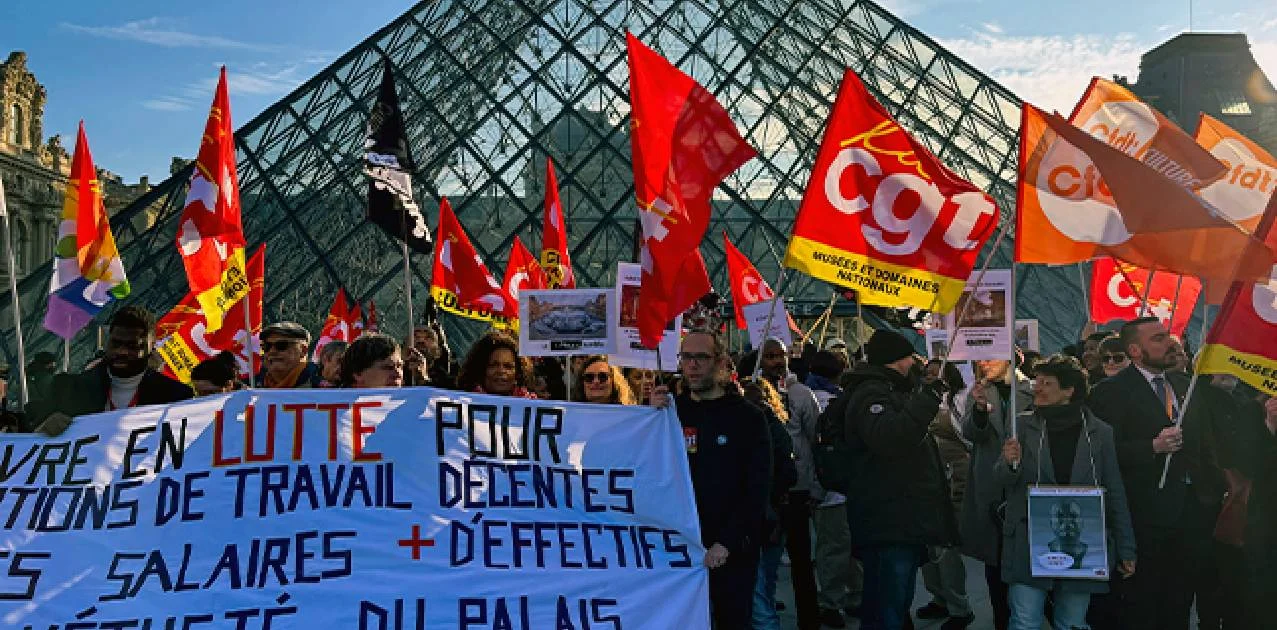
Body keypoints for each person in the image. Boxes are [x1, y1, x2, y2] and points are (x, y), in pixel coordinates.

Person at [996, 355, 1137, 630]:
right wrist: (1009, 462)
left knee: (1071, 623)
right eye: (1037, 381)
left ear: (1069, 390)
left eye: (1047, 383)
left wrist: (1126, 547)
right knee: (1024, 620)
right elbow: (1000, 480)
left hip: (1084, 543)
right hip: (1029, 540)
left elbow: (1115, 490)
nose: (1037, 387)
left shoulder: (1100, 432)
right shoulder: (1021, 426)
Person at [1088, 317, 1211, 630]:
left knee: (1181, 598)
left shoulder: (1185, 385)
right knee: (1143, 600)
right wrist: (1151, 447)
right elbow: (1100, 454)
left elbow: (1204, 443)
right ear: (1135, 350)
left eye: (1167, 336)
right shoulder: (1110, 392)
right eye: (1158, 338)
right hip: (1143, 515)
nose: (1169, 343)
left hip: (1190, 510)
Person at [651, 330, 770, 628]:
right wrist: (648, 418)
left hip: (730, 551)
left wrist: (726, 543)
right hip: (678, 547)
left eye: (701, 357)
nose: (692, 365)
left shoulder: (748, 418)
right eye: (686, 357)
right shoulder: (670, 412)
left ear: (720, 362)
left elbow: (756, 489)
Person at [842, 329, 957, 630]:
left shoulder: (889, 390)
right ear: (897, 361)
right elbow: (890, 438)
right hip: (887, 519)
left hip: (899, 516)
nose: (915, 364)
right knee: (887, 605)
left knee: (894, 601)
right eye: (910, 357)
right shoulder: (872, 393)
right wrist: (926, 400)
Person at [27, 306, 192, 435]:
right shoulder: (67, 388)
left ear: (150, 347)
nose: (122, 352)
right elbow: (27, 439)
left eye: (132, 346)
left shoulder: (176, 397)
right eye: (116, 343)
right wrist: (43, 428)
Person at [959, 358, 1032, 630]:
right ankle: (1001, 616)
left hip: (1021, 482)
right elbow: (970, 433)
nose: (984, 362)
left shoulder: (1030, 388)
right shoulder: (979, 390)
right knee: (995, 556)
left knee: (1021, 554)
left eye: (992, 356)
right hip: (990, 482)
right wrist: (978, 411)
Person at [757, 337, 822, 630]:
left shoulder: (802, 394)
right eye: (768, 356)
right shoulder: (751, 395)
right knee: (766, 562)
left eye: (778, 355)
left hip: (797, 490)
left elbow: (815, 438)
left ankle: (810, 618)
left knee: (801, 561)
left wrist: (813, 485)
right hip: (768, 493)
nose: (774, 361)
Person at [917, 360, 975, 630]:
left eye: (935, 373)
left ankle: (959, 606)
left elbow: (970, 438)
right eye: (926, 373)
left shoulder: (960, 400)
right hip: (927, 479)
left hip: (955, 479)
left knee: (946, 545)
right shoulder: (917, 399)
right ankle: (938, 596)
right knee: (928, 545)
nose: (930, 377)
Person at [807, 349, 861, 627]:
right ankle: (830, 602)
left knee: (840, 546)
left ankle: (851, 595)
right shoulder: (833, 401)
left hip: (823, 486)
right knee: (836, 548)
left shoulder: (806, 395)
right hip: (833, 489)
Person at [740, 376, 798, 630]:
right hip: (767, 517)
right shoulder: (770, 426)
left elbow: (787, 471)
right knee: (763, 590)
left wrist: (769, 496)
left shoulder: (768, 427)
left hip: (766, 517)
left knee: (759, 597)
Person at [456, 330, 535, 398]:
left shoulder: (532, 405)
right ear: (481, 369)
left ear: (518, 373)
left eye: (508, 366)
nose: (501, 371)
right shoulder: (461, 402)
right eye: (493, 365)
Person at [257, 322, 319, 388]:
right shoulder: (252, 383)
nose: (272, 351)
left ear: (303, 350)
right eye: (267, 346)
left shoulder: (321, 385)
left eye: (281, 345)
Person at [340, 333, 404, 388]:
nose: (398, 374)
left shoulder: (410, 401)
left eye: (400, 366)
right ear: (358, 374)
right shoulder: (333, 401)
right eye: (389, 367)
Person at [571, 355, 635, 405]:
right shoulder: (569, 413)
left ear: (614, 381)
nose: (596, 381)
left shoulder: (628, 414)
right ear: (582, 383)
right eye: (589, 377)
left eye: (602, 376)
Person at [413, 321, 457, 388]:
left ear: (438, 350)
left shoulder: (446, 380)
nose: (421, 341)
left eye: (427, 338)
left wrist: (423, 379)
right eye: (416, 337)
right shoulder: (397, 372)